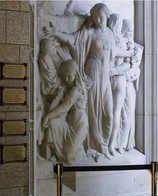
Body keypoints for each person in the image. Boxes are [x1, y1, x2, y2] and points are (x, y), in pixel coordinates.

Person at [44, 3, 133, 159]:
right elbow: (73, 40)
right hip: (92, 75)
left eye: (102, 17)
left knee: (108, 114)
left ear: (107, 16)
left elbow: (114, 51)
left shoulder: (111, 34)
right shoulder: (89, 33)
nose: (99, 20)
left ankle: (105, 146)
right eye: (96, 17)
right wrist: (57, 33)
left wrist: (129, 53)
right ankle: (93, 147)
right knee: (92, 112)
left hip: (105, 77)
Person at [42, 59, 88, 165]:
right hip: (68, 121)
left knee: (69, 158)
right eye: (65, 76)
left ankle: (79, 151)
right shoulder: (66, 88)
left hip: (79, 123)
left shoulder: (76, 89)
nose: (67, 79)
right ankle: (56, 152)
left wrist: (48, 116)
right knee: (53, 123)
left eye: (70, 76)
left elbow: (65, 107)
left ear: (76, 75)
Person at [107, 14, 131, 155]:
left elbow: (127, 63)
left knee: (113, 113)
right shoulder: (120, 41)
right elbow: (126, 62)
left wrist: (114, 70)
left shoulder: (111, 38)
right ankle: (109, 145)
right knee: (113, 113)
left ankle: (111, 145)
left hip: (113, 78)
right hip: (116, 79)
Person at [119, 19, 143, 151]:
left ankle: (123, 144)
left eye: (131, 31)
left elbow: (135, 67)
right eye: (127, 30)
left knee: (128, 115)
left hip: (129, 85)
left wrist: (134, 72)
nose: (129, 33)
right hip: (119, 82)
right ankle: (117, 145)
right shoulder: (119, 45)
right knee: (118, 115)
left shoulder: (135, 48)